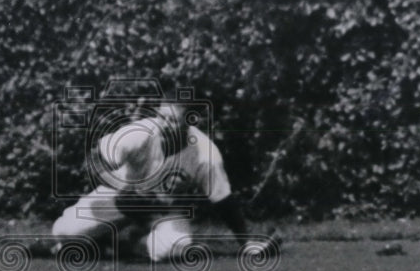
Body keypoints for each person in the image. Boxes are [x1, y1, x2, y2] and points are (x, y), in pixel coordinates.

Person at [47, 100, 271, 261]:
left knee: (171, 249)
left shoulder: (205, 154)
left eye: (172, 120)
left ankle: (122, 243)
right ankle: (103, 237)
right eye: (161, 116)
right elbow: (93, 160)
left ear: (189, 123)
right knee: (64, 232)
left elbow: (224, 201)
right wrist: (124, 190)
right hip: (121, 197)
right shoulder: (140, 132)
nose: (163, 123)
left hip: (165, 211)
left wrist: (246, 243)